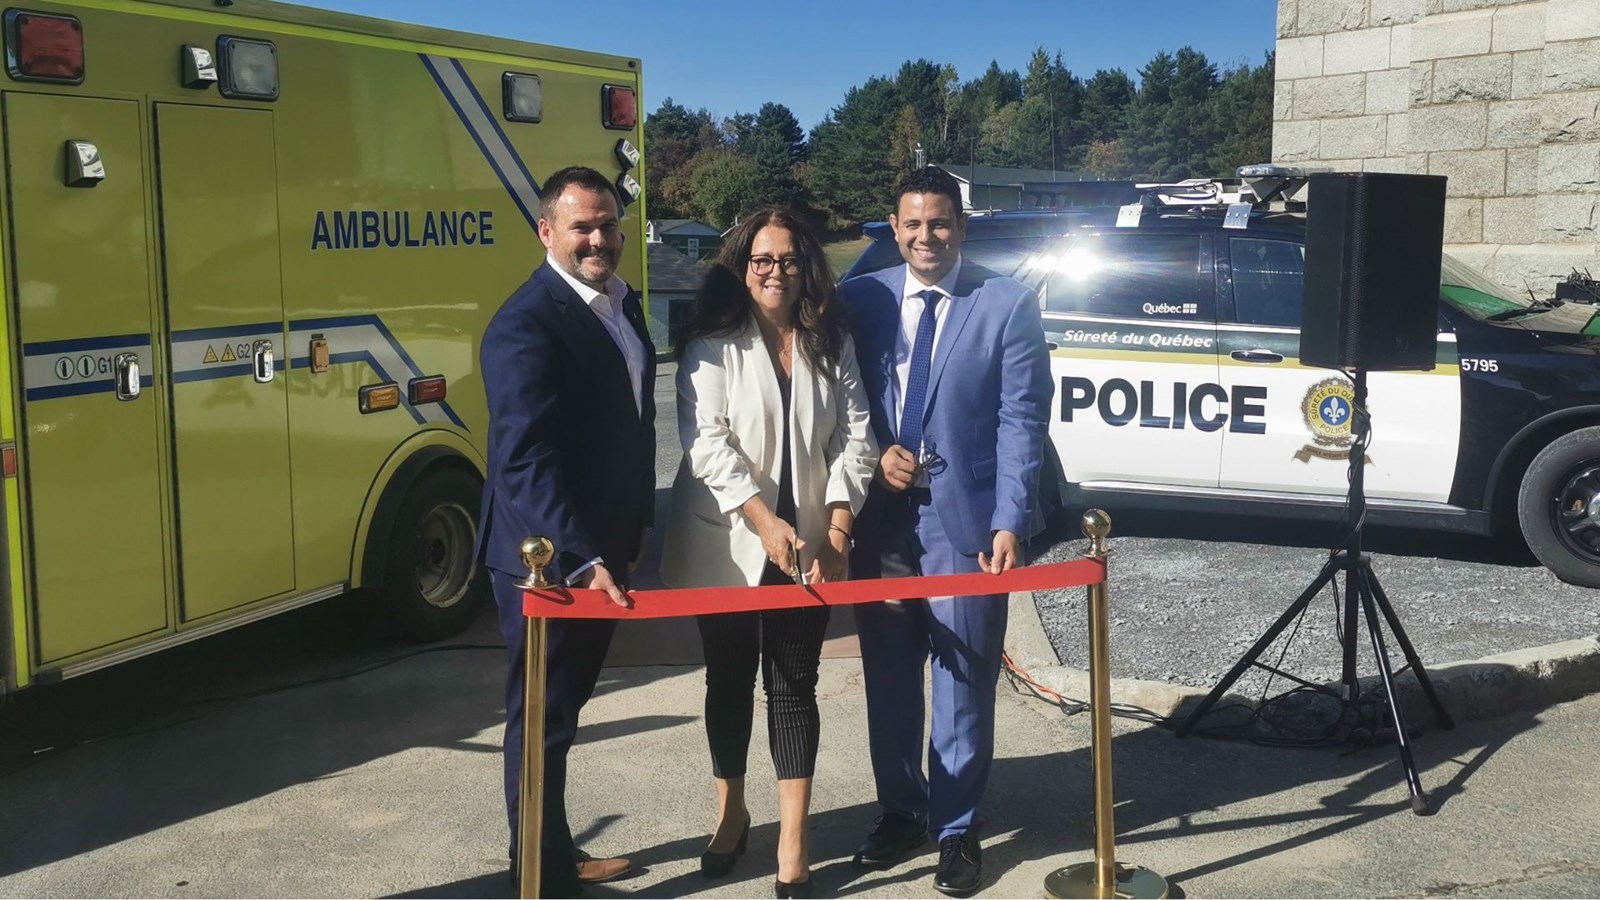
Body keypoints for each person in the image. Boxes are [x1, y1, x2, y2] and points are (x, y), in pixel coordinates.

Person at [837, 166, 1052, 897]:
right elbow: (838, 402)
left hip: (964, 521)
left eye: (939, 223)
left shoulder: (1006, 303)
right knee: (891, 673)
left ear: (961, 227)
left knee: (962, 677)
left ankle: (956, 828)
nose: (925, 236)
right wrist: (870, 460)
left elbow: (1022, 419)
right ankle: (902, 809)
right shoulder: (858, 299)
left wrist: (1009, 519)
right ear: (893, 229)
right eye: (912, 224)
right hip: (881, 522)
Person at [660, 207, 877, 898]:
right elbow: (707, 442)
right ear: (740, 266)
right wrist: (760, 519)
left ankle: (793, 837)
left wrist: (838, 530)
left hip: (809, 543)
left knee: (792, 686)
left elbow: (856, 438)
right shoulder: (711, 341)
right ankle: (731, 812)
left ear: (805, 265)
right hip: (727, 542)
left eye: (786, 259)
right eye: (761, 259)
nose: (774, 271)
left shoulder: (829, 339)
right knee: (728, 678)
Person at [476, 166, 654, 897]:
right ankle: (537, 874)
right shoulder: (525, 323)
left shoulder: (622, 301)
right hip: (548, 561)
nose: (599, 238)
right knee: (541, 714)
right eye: (582, 226)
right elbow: (523, 458)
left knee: (565, 710)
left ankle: (550, 851)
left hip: (606, 546)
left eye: (609, 224)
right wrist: (579, 559)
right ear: (546, 231)